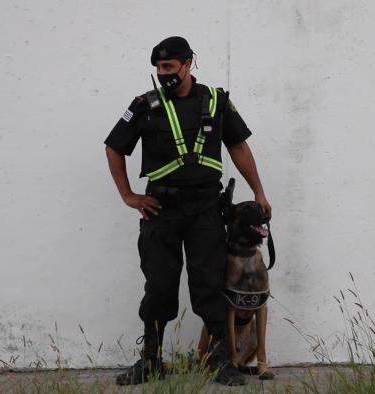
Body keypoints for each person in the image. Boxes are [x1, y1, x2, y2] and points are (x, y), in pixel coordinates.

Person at [104, 36, 271, 386]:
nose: (163, 74)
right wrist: (128, 195)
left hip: (206, 209)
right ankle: (150, 360)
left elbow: (238, 145)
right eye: (158, 68)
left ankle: (220, 361)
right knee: (159, 286)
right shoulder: (145, 104)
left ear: (188, 63)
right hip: (160, 210)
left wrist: (259, 191)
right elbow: (114, 146)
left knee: (209, 284)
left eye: (169, 67)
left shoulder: (216, 101)